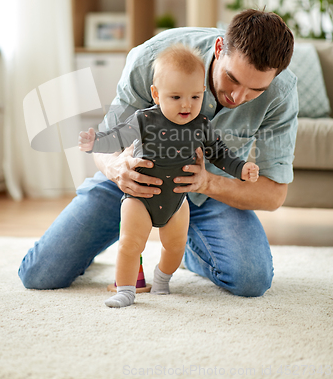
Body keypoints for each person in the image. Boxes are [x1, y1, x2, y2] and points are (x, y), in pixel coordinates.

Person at [18, 9, 298, 300]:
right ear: (219, 48)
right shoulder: (154, 57)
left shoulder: (281, 92)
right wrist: (117, 169)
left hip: (208, 194)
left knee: (251, 280)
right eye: (232, 79)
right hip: (134, 186)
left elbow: (274, 195)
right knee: (40, 274)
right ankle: (115, 246)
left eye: (256, 90)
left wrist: (206, 183)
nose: (238, 97)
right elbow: (106, 144)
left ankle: (188, 249)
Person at [78, 44, 259, 308]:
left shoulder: (201, 126)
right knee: (130, 245)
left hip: (176, 201)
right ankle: (126, 291)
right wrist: (95, 142)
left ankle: (162, 279)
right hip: (140, 197)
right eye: (176, 97)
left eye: (195, 97)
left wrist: (241, 168)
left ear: (202, 94)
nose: (187, 105)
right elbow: (116, 137)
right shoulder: (143, 120)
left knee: (175, 247)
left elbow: (220, 154)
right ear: (156, 94)